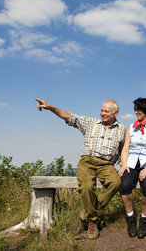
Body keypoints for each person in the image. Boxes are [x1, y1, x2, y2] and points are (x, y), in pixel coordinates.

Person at [35, 98, 126, 240]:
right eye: (102, 110)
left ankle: (89, 209)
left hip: (107, 164)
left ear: (116, 113)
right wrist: (50, 107)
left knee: (115, 183)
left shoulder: (122, 130)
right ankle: (92, 221)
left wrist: (126, 165)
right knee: (86, 187)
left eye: (106, 111)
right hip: (87, 161)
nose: (102, 113)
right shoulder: (91, 123)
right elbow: (69, 116)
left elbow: (125, 151)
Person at [118, 98, 146, 239]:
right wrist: (124, 164)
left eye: (138, 109)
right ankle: (131, 218)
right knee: (124, 186)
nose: (136, 112)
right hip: (131, 163)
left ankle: (144, 220)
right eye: (135, 109)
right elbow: (126, 148)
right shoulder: (131, 128)